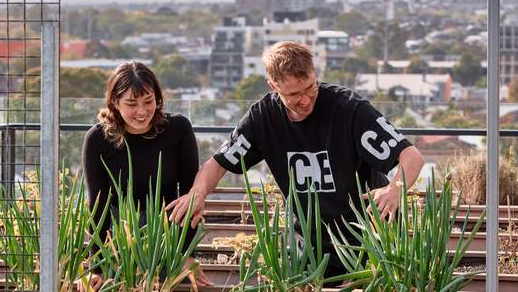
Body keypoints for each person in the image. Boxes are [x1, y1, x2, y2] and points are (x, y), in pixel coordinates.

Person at [167, 41, 425, 285]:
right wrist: (197, 193)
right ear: (273, 86)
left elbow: (411, 156)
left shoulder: (349, 109)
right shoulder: (262, 117)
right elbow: (219, 163)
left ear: (315, 73)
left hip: (369, 237)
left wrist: (396, 188)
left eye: (310, 88)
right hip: (310, 245)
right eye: (293, 94)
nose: (305, 100)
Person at [80, 61, 212, 291]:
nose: (141, 112)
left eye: (148, 101)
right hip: (118, 239)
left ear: (158, 98)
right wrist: (97, 266)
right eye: (131, 104)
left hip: (167, 237)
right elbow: (97, 206)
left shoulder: (178, 129)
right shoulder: (97, 139)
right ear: (114, 102)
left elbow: (189, 197)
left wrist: (187, 254)